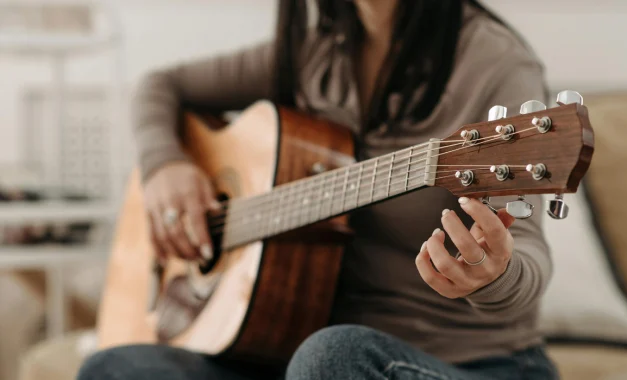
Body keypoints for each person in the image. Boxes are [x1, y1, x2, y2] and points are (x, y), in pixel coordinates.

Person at [78, 0, 558, 379]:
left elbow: (530, 259)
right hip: (301, 357)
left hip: (469, 366)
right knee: (114, 368)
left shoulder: (495, 63)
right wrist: (166, 166)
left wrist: (492, 275)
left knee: (332, 356)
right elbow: (159, 86)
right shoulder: (316, 55)